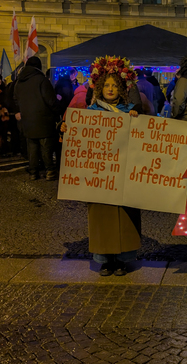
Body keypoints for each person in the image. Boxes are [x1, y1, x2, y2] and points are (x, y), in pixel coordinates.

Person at [61, 56, 142, 277]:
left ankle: (123, 259)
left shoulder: (130, 111)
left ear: (122, 88)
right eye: (106, 84)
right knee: (102, 218)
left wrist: (136, 119)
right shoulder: (90, 112)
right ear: (99, 86)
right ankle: (105, 260)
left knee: (124, 217)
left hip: (123, 175)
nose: (110, 89)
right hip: (100, 177)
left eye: (115, 85)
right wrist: (69, 129)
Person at [14, 56, 62, 180]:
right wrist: (58, 111)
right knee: (46, 147)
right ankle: (50, 171)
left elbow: (16, 99)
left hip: (27, 119)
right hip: (44, 119)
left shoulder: (19, 81)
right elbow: (50, 100)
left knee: (32, 148)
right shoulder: (42, 80)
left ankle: (33, 172)